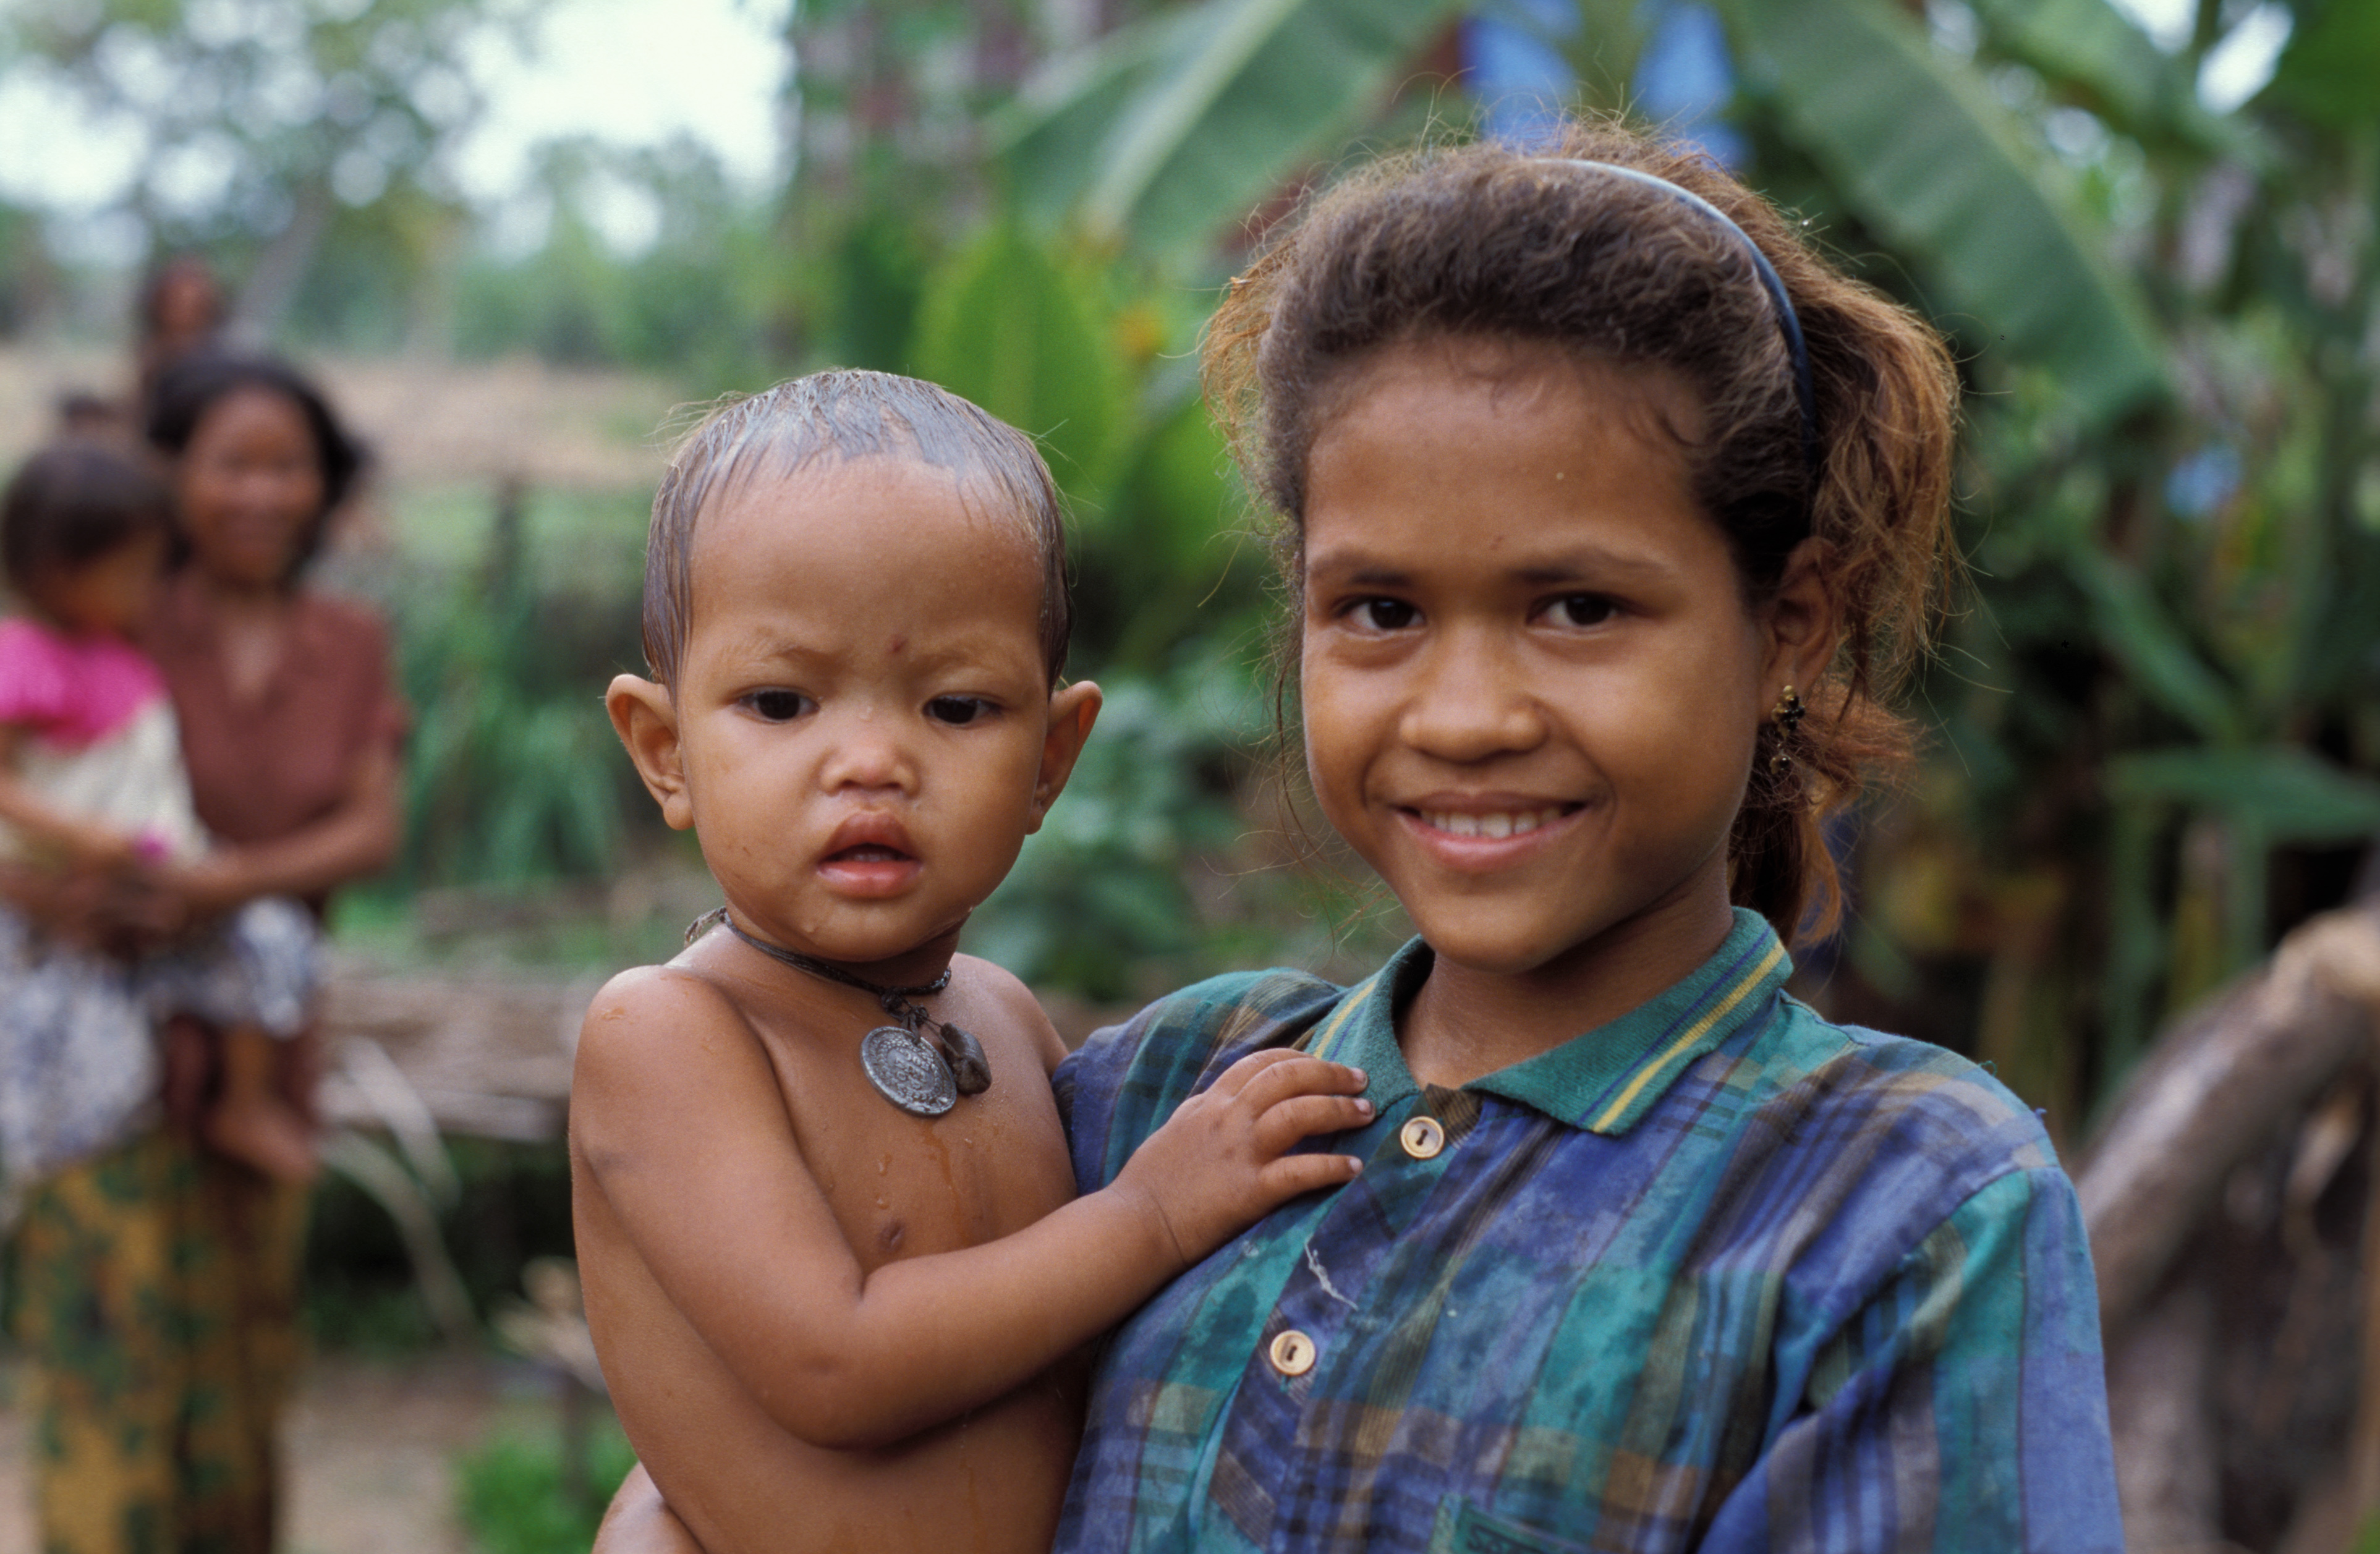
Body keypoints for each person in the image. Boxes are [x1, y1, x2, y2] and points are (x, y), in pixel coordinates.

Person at [605, 120, 2124, 1551]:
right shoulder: (1163, 1099)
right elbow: (796, 1441)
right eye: (1382, 610)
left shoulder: (1894, 1207)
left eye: (1578, 608)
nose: (1463, 716)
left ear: (1789, 625)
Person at [577, 368, 1377, 1554]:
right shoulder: (672, 1035)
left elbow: (1065, 1333)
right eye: (782, 701)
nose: (871, 761)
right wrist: (1153, 1212)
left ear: (1051, 760)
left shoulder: (1003, 1015)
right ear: (665, 749)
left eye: (955, 708)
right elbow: (835, 1362)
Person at [7, 351, 401, 1554]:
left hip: (258, 1058)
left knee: (242, 1376)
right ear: (171, 474)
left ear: (325, 484)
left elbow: (373, 827)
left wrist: (221, 885)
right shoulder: (110, 612)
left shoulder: (349, 640)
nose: (262, 493)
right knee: (103, 1364)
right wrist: (56, 893)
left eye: (291, 466)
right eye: (233, 463)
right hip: (98, 1060)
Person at [0, 440, 319, 1207]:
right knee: (69, 1066)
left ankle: (244, 1100)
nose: (151, 588)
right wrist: (76, 836)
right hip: (59, 892)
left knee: (272, 938)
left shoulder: (116, 652)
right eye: (135, 572)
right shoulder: (25, 659)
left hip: (153, 871)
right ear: (61, 573)